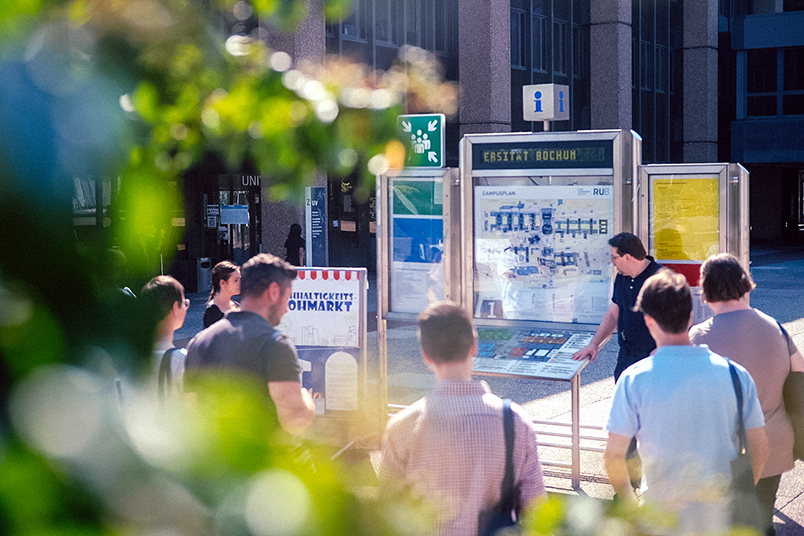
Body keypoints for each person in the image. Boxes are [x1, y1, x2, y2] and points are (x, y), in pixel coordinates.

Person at [605, 270, 769, 535]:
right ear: (690, 317)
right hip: (723, 516)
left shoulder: (634, 379)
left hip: (660, 517)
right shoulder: (735, 374)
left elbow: (614, 455)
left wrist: (631, 504)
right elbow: (760, 446)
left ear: (648, 321)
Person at [379, 302, 546, 536]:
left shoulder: (401, 427)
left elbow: (387, 516)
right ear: (474, 347)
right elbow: (538, 513)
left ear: (425, 355)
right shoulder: (516, 422)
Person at [689, 253, 804, 536]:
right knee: (761, 518)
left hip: (719, 452)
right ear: (744, 284)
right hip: (773, 442)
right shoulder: (777, 328)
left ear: (706, 289)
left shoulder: (698, 337)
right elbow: (799, 371)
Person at [185, 253, 314, 435]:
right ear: (274, 291)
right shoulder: (275, 344)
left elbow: (189, 413)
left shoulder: (199, 342)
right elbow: (296, 418)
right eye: (288, 298)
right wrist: (305, 398)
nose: (287, 309)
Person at [573, 232, 663, 381]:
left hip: (653, 359)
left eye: (614, 257)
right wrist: (593, 344)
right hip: (626, 358)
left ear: (627, 257)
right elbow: (614, 313)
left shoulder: (661, 279)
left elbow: (683, 319)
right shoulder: (622, 276)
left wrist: (662, 350)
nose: (612, 262)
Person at [139, 275, 189, 397]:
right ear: (175, 307)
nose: (186, 308)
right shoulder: (180, 359)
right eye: (184, 303)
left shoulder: (132, 357)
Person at [203, 261, 241, 328]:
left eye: (240, 279)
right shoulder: (213, 312)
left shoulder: (236, 305)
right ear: (223, 283)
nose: (240, 283)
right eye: (236, 280)